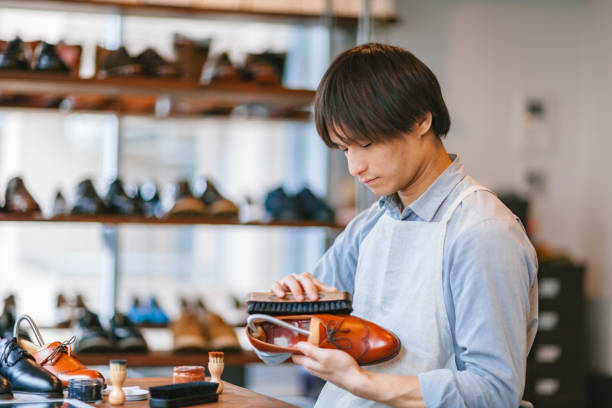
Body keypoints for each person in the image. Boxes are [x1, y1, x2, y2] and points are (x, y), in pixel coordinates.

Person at [259, 43, 538, 408]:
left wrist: (360, 382)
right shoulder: (371, 225)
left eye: (366, 143)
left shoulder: (482, 232)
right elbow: (273, 352)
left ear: (422, 119)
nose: (354, 167)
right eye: (344, 149)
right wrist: (282, 313)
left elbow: (494, 393)